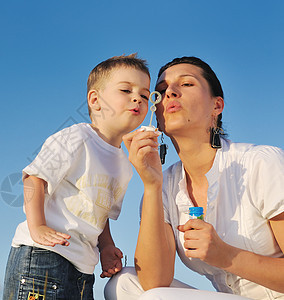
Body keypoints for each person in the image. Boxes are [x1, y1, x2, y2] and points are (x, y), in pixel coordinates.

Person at [105, 56, 284, 300]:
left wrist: (227, 256)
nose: (170, 93)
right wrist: (151, 185)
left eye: (187, 84)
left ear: (217, 105)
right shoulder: (165, 184)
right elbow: (153, 281)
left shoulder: (261, 162)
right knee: (123, 284)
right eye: (160, 91)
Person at [3, 53, 154, 300]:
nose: (137, 98)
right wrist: (38, 226)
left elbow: (100, 212)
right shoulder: (77, 138)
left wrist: (105, 246)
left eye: (145, 95)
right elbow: (34, 179)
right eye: (126, 90)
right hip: (43, 256)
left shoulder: (124, 163)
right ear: (95, 100)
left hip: (83, 268)